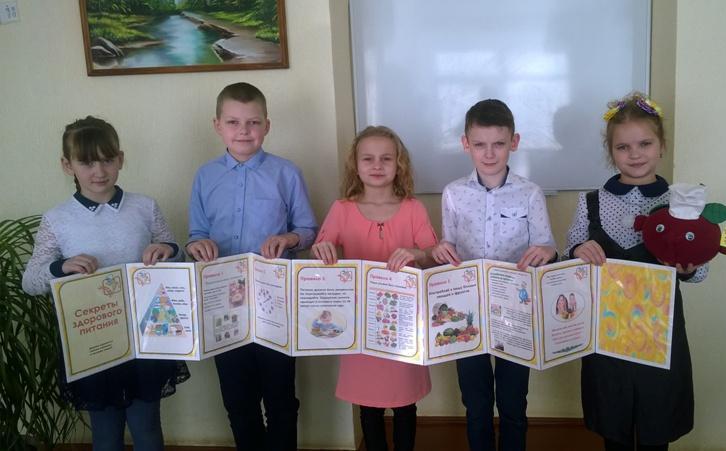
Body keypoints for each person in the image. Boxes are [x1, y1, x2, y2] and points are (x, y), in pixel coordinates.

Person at [22, 116, 189, 451]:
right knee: (106, 433)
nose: (99, 171)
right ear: (67, 165)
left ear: (120, 159)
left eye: (107, 160)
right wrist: (61, 266)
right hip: (93, 342)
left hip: (144, 338)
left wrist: (167, 250)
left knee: (147, 427)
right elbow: (31, 281)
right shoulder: (57, 219)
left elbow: (176, 255)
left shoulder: (144, 207)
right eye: (87, 162)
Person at [564, 92, 708, 451]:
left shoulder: (680, 204)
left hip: (659, 336)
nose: (635, 154)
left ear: (662, 146)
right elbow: (569, 259)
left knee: (656, 424)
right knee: (613, 425)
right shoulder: (590, 201)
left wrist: (687, 269)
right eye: (623, 147)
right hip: (606, 336)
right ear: (611, 152)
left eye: (645, 144)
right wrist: (577, 251)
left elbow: (700, 271)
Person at [187, 82, 317, 450]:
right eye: (233, 122)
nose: (243, 131)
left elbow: (308, 230)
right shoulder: (205, 176)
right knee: (238, 400)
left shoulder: (287, 173)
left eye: (253, 122)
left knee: (281, 398)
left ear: (267, 125)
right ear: (217, 126)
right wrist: (197, 245)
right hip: (224, 307)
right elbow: (196, 234)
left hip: (275, 304)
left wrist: (288, 239)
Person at [431, 99, 557, 451]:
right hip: (467, 311)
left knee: (514, 401)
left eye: (498, 144)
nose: (489, 153)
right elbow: (449, 244)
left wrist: (547, 251)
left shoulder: (530, 193)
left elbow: (546, 245)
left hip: (515, 311)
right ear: (465, 144)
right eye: (480, 144)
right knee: (476, 402)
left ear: (513, 142)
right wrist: (442, 250)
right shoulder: (453, 193)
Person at [311, 125, 437, 451]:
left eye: (386, 158)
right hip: (361, 323)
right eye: (368, 158)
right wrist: (322, 250)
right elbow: (320, 250)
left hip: (403, 323)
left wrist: (417, 253)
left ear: (399, 164)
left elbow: (433, 256)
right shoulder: (342, 209)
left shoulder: (413, 208)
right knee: (368, 405)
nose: (377, 165)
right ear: (356, 165)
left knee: (405, 403)